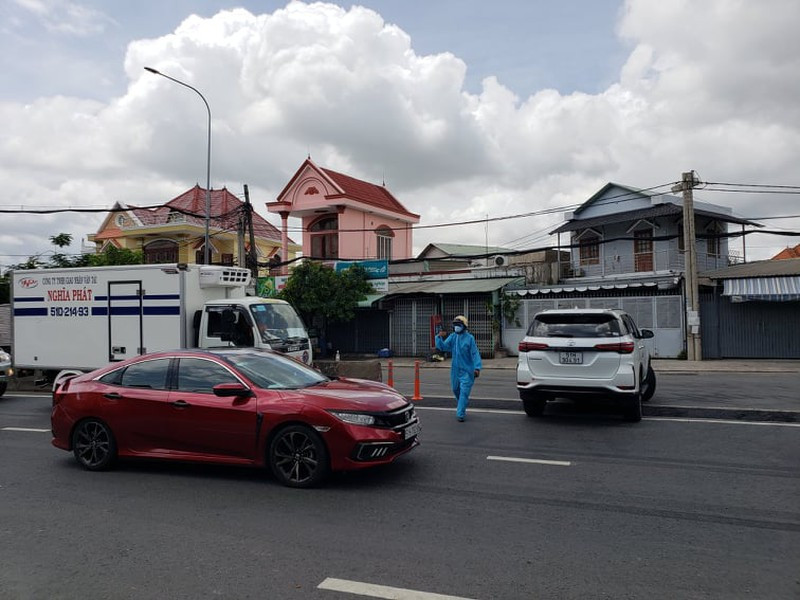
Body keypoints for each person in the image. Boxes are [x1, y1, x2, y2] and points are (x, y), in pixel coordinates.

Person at [435, 315, 482, 422]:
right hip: (455, 370)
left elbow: (475, 353)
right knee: (455, 389)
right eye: (455, 325)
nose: (456, 327)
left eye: (459, 325)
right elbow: (444, 347)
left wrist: (477, 368)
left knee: (464, 392)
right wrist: (439, 337)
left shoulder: (470, 338)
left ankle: (460, 414)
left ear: (464, 326)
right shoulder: (453, 337)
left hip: (467, 370)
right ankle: (463, 402)